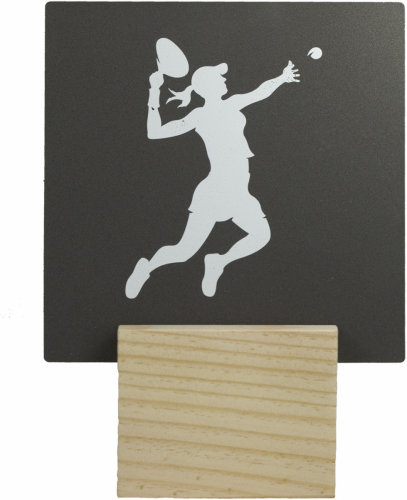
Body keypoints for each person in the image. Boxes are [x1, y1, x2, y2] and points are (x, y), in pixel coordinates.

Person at [126, 60, 300, 298]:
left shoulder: (233, 103)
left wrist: (282, 78)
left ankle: (218, 262)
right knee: (184, 252)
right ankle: (146, 268)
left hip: (239, 192)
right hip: (215, 191)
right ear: (208, 86)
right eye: (220, 77)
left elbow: (261, 92)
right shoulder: (198, 116)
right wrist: (154, 90)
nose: (225, 79)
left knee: (261, 236)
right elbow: (155, 132)